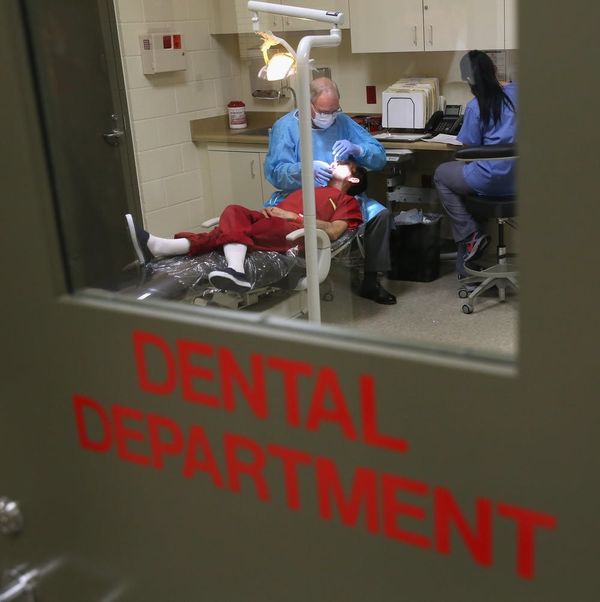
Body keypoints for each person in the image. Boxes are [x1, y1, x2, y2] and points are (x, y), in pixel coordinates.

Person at [126, 161, 366, 293]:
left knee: (228, 232)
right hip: (269, 221)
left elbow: (334, 231)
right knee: (234, 211)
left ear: (353, 178)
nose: (335, 161)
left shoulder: (348, 202)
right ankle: (235, 269)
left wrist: (294, 216)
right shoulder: (313, 188)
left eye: (344, 163)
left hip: (294, 233)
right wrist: (271, 212)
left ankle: (164, 247)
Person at [263, 77, 396, 305]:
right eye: (325, 111)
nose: (331, 116)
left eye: (335, 110)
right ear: (308, 105)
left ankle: (371, 280)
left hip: (341, 199)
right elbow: (275, 173)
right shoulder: (286, 128)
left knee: (380, 215)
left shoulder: (343, 123)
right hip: (300, 196)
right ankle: (289, 278)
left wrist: (359, 149)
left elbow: (379, 157)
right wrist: (303, 170)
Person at [434, 50, 517, 278]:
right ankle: (466, 266)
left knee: (442, 174)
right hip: (520, 181)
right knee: (466, 191)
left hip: (489, 182)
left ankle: (470, 235)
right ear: (494, 69)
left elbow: (468, 151)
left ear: (468, 79)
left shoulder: (475, 106)